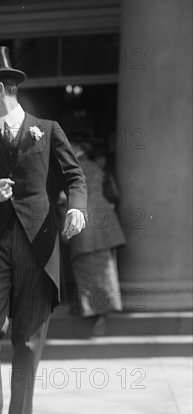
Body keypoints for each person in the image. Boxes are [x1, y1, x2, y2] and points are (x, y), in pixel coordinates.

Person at [0, 47, 88, 414]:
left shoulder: (48, 130)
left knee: (29, 340)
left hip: (39, 248)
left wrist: (76, 207)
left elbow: (75, 176)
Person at [67, 139, 126, 335]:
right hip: (103, 225)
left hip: (84, 224)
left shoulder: (73, 167)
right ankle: (96, 312)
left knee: (88, 269)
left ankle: (96, 314)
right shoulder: (96, 167)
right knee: (103, 269)